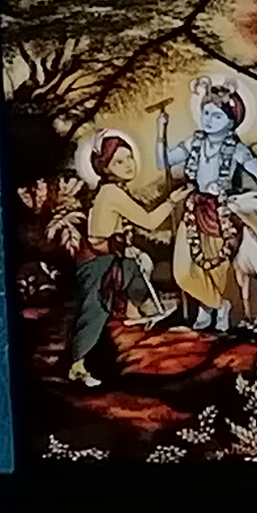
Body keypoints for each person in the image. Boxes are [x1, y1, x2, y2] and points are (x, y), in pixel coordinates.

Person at [157, 82, 257, 336]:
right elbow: (162, 160)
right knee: (182, 271)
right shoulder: (194, 143)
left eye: (217, 116)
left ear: (231, 122)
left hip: (221, 213)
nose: (209, 120)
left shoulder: (236, 148)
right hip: (194, 209)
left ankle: (209, 308)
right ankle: (218, 304)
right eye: (206, 113)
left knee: (215, 270)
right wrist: (161, 131)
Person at [49, 133, 178, 389]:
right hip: (96, 261)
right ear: (104, 167)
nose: (128, 164)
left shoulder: (112, 190)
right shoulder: (111, 193)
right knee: (95, 311)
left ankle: (138, 310)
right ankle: (77, 366)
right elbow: (148, 222)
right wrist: (172, 201)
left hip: (110, 256)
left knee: (137, 265)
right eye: (119, 162)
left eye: (129, 157)